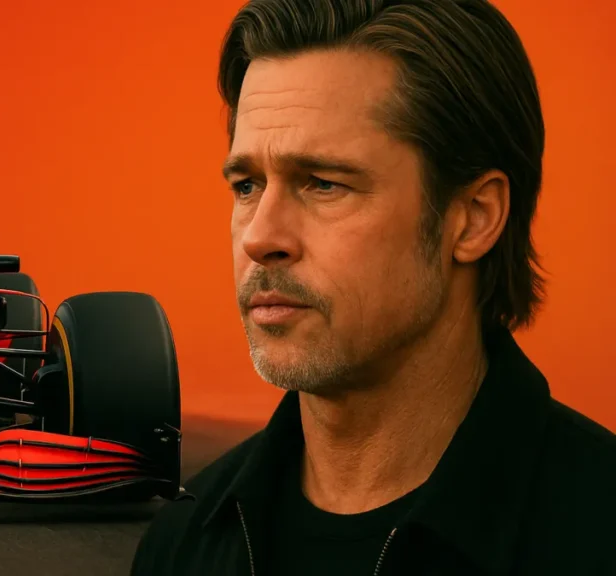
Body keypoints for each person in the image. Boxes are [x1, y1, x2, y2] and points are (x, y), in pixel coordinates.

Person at [130, 1, 616, 574]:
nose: (260, 236)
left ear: (474, 218)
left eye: (323, 183)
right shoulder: (184, 541)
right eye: (246, 185)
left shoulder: (597, 530)